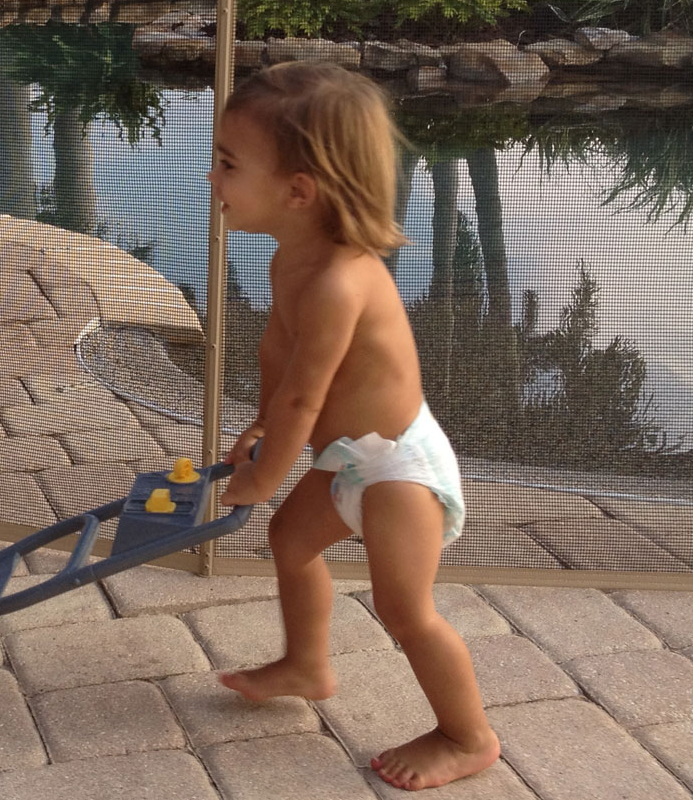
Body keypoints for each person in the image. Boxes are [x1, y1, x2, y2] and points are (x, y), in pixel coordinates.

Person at [210, 61, 500, 791]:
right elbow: (279, 357)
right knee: (290, 542)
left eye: (228, 164)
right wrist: (257, 425)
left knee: (406, 611)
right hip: (352, 460)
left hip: (399, 468)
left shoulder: (342, 281)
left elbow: (308, 399)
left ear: (298, 192)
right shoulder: (291, 260)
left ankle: (468, 736)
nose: (212, 178)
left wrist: (264, 475)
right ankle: (308, 666)